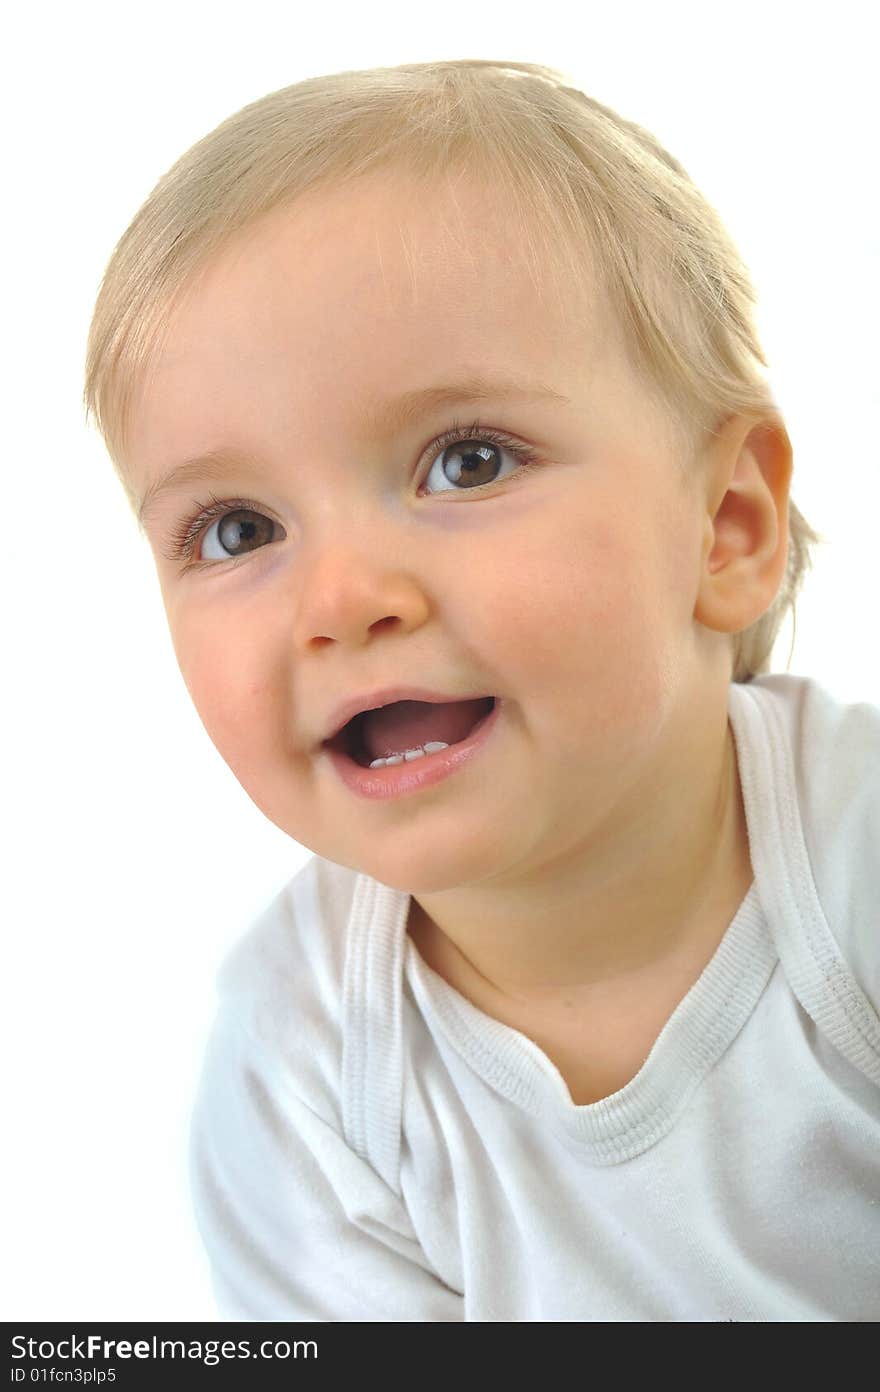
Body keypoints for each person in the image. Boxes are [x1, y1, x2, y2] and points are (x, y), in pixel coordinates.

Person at [83, 59, 880, 1321]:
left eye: (465, 461)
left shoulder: (854, 863)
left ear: (722, 528)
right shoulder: (298, 1071)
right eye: (237, 531)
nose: (341, 599)